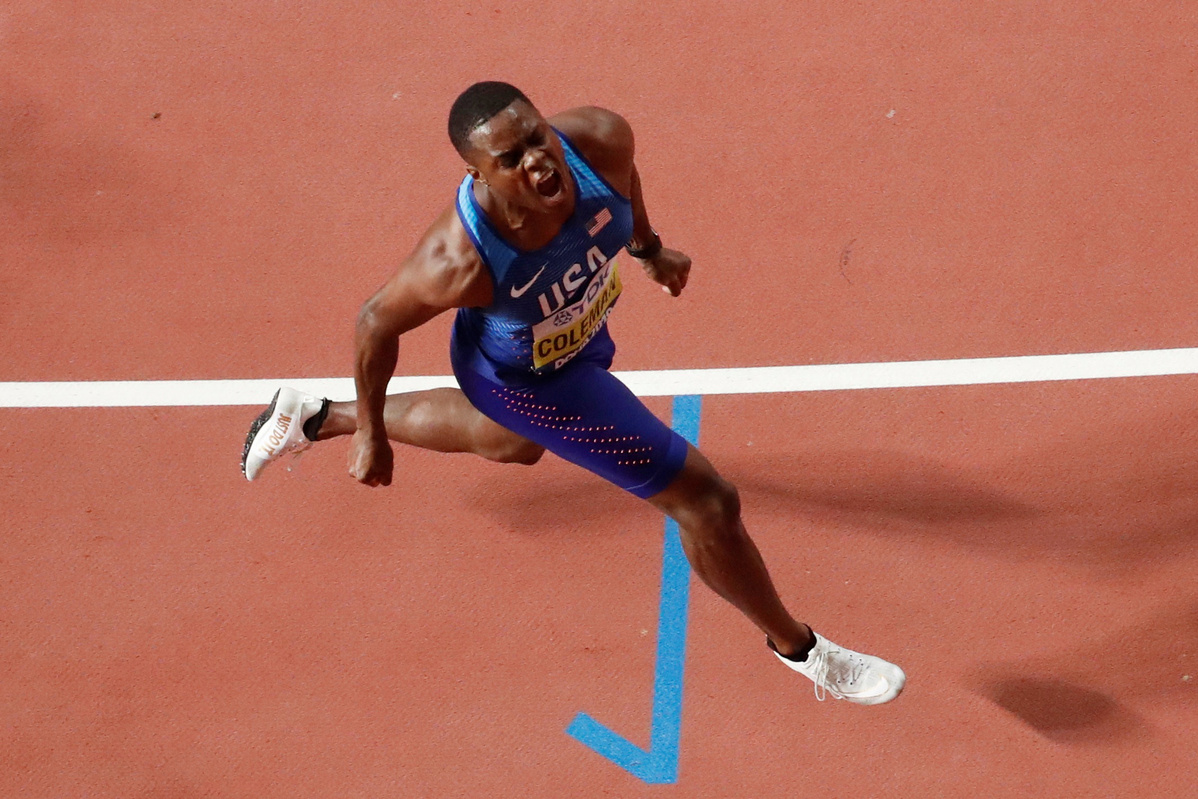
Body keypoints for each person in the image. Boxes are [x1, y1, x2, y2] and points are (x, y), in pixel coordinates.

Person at [241, 81, 905, 704]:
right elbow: (374, 321)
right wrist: (373, 439)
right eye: (510, 158)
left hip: (581, 332)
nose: (536, 161)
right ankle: (803, 649)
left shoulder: (597, 139)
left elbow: (623, 189)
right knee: (707, 502)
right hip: (530, 379)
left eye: (537, 137)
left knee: (510, 446)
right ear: (478, 174)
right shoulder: (457, 260)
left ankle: (315, 415)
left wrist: (648, 249)